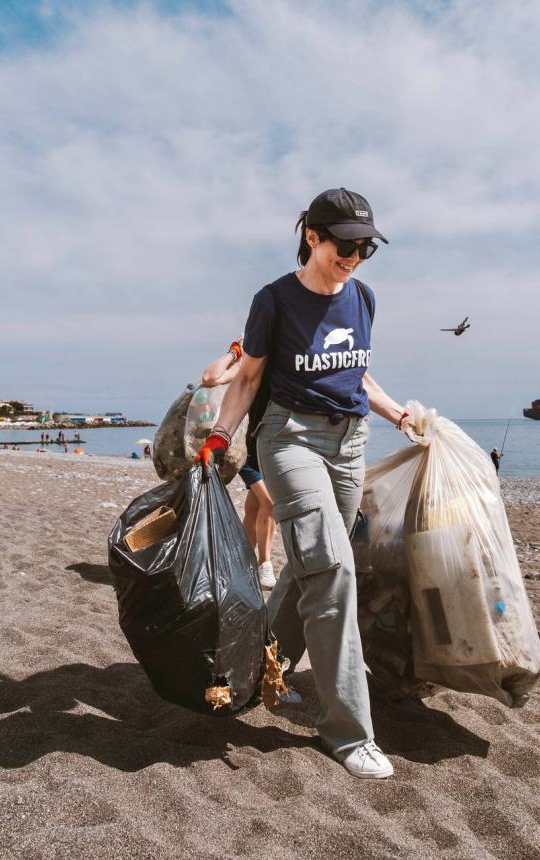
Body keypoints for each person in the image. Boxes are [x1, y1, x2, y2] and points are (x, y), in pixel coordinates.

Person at [197, 188, 413, 779]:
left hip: (350, 445)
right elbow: (247, 380)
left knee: (312, 568)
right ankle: (348, 733)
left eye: (366, 246)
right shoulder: (274, 301)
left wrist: (401, 416)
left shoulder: (363, 297)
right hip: (289, 440)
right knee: (335, 572)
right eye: (345, 244)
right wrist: (219, 438)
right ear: (313, 237)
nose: (355, 256)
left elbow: (356, 371)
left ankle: (252, 666)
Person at [201, 337, 277, 589]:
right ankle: (264, 564)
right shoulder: (246, 366)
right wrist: (235, 351)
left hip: (273, 444)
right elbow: (210, 378)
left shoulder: (281, 365)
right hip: (243, 446)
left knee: (255, 508)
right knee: (270, 503)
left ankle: (239, 563)